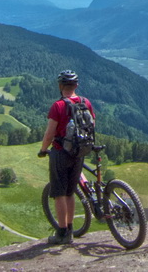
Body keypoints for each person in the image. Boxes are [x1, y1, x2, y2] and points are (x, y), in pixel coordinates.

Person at [38, 69, 95, 245]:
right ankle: (70, 229)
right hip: (79, 153)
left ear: (60, 86)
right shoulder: (86, 102)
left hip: (60, 153)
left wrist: (43, 149)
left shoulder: (58, 106)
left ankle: (61, 233)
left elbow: (49, 133)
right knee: (70, 192)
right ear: (76, 85)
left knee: (59, 194)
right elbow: (92, 125)